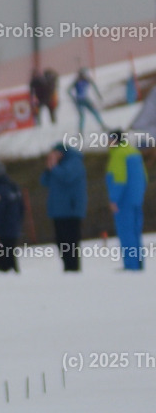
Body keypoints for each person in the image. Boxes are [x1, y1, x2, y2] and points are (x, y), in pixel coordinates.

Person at [105, 130, 149, 271]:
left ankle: (131, 265)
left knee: (126, 232)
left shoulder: (118, 154)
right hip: (136, 198)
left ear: (114, 140)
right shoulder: (134, 152)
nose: (107, 143)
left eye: (109, 139)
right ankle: (138, 263)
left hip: (124, 200)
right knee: (136, 232)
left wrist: (113, 199)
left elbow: (119, 179)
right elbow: (144, 177)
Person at [41, 143, 88, 272]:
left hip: (70, 209)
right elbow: (44, 181)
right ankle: (67, 266)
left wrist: (54, 167)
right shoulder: (56, 166)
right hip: (58, 210)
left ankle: (73, 267)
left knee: (71, 241)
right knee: (60, 241)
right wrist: (48, 168)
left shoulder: (74, 162)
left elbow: (67, 177)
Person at [0, 163, 25, 273]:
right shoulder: (14, 187)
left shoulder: (0, 191)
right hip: (14, 228)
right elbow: (22, 208)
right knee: (10, 255)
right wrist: (18, 224)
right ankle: (15, 277)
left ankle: (10, 282)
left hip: (4, 230)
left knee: (3, 261)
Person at [68, 68, 106, 134]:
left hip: (78, 100)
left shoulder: (77, 81)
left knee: (82, 116)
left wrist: (73, 98)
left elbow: (68, 91)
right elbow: (95, 87)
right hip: (84, 99)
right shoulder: (86, 80)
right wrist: (99, 95)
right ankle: (102, 125)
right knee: (94, 112)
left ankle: (80, 131)